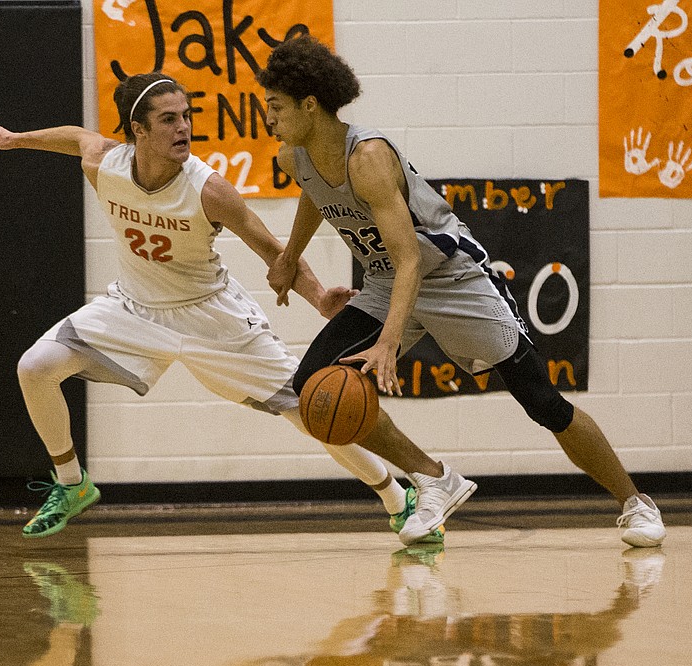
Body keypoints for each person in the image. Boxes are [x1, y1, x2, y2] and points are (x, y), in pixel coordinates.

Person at [0, 72, 442, 540]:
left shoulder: (207, 188)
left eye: (187, 116)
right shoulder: (106, 165)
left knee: (315, 410)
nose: (184, 128)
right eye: (169, 119)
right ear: (139, 130)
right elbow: (78, 138)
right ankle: (72, 484)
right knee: (35, 367)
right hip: (133, 308)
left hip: (213, 318)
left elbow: (272, 249)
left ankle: (398, 501)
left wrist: (318, 296)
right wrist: (14, 139)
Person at [256, 36, 666, 547]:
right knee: (316, 384)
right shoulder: (297, 156)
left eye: (274, 106)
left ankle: (635, 503)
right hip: (388, 282)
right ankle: (434, 478)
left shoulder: (367, 157)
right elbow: (316, 195)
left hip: (451, 277)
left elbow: (410, 257)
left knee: (542, 402)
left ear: (310, 105)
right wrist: (290, 255)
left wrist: (388, 342)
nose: (267, 118)